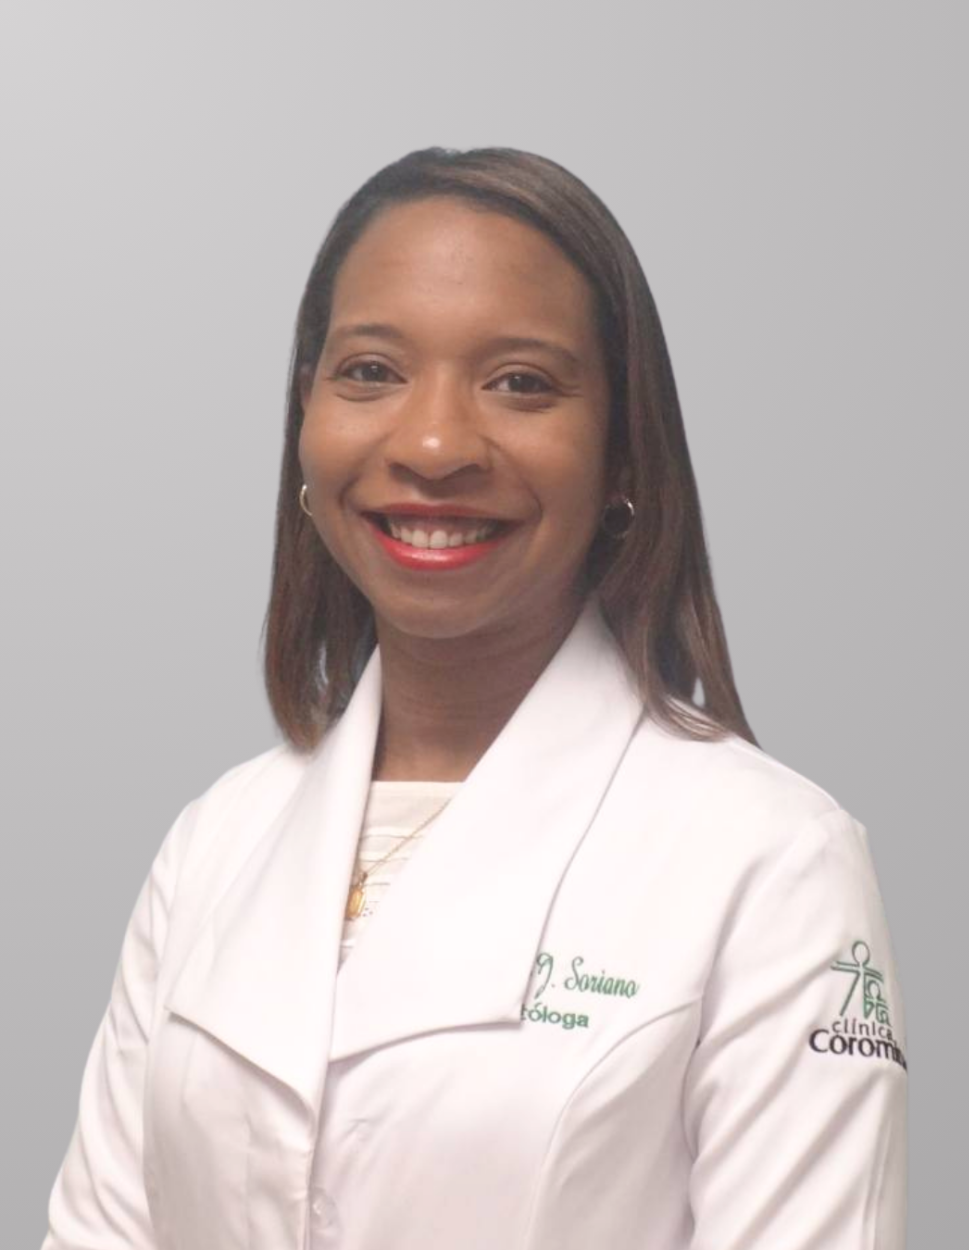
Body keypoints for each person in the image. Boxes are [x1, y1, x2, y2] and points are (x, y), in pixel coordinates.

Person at [42, 146, 907, 1250]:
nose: (434, 444)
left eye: (520, 383)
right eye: (370, 371)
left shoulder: (773, 862)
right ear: (305, 417)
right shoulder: (215, 844)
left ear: (624, 450)